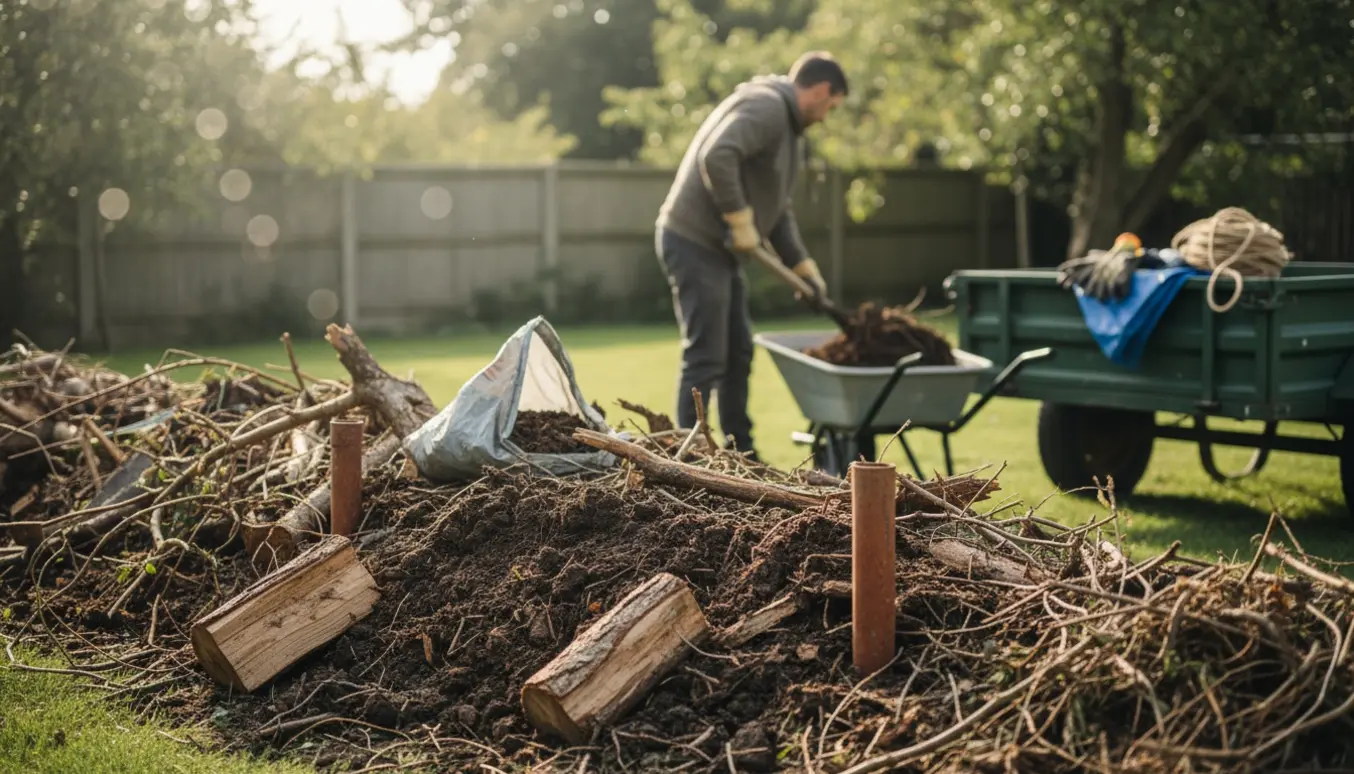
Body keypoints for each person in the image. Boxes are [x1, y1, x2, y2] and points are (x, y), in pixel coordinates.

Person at [653, 51, 849, 460]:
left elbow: (777, 212)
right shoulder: (767, 106)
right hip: (694, 240)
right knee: (706, 354)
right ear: (820, 90)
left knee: (739, 350)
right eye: (831, 106)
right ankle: (687, 456)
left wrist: (803, 268)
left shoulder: (789, 132)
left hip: (719, 253)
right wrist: (740, 219)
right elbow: (717, 155)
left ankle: (740, 449)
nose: (827, 116)